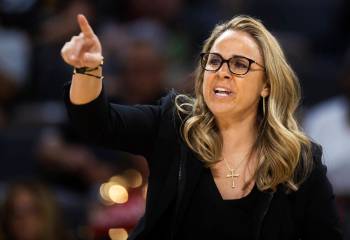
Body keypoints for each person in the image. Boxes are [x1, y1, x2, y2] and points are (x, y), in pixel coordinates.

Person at [61, 14, 342, 240]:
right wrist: (87, 69)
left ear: (267, 85)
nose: (222, 71)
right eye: (215, 61)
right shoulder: (173, 124)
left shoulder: (299, 160)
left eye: (240, 65)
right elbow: (97, 123)